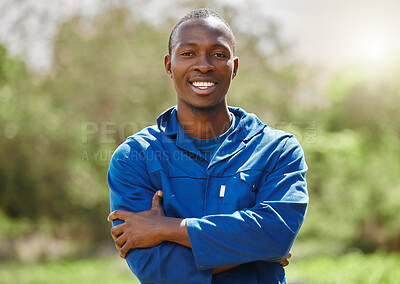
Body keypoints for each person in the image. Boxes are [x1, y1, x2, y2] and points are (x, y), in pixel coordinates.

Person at [107, 8, 308, 284]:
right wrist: (253, 249)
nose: (204, 65)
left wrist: (168, 228)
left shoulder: (278, 151)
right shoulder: (134, 159)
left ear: (234, 67)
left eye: (218, 54)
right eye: (188, 53)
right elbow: (155, 269)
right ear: (169, 66)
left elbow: (276, 236)